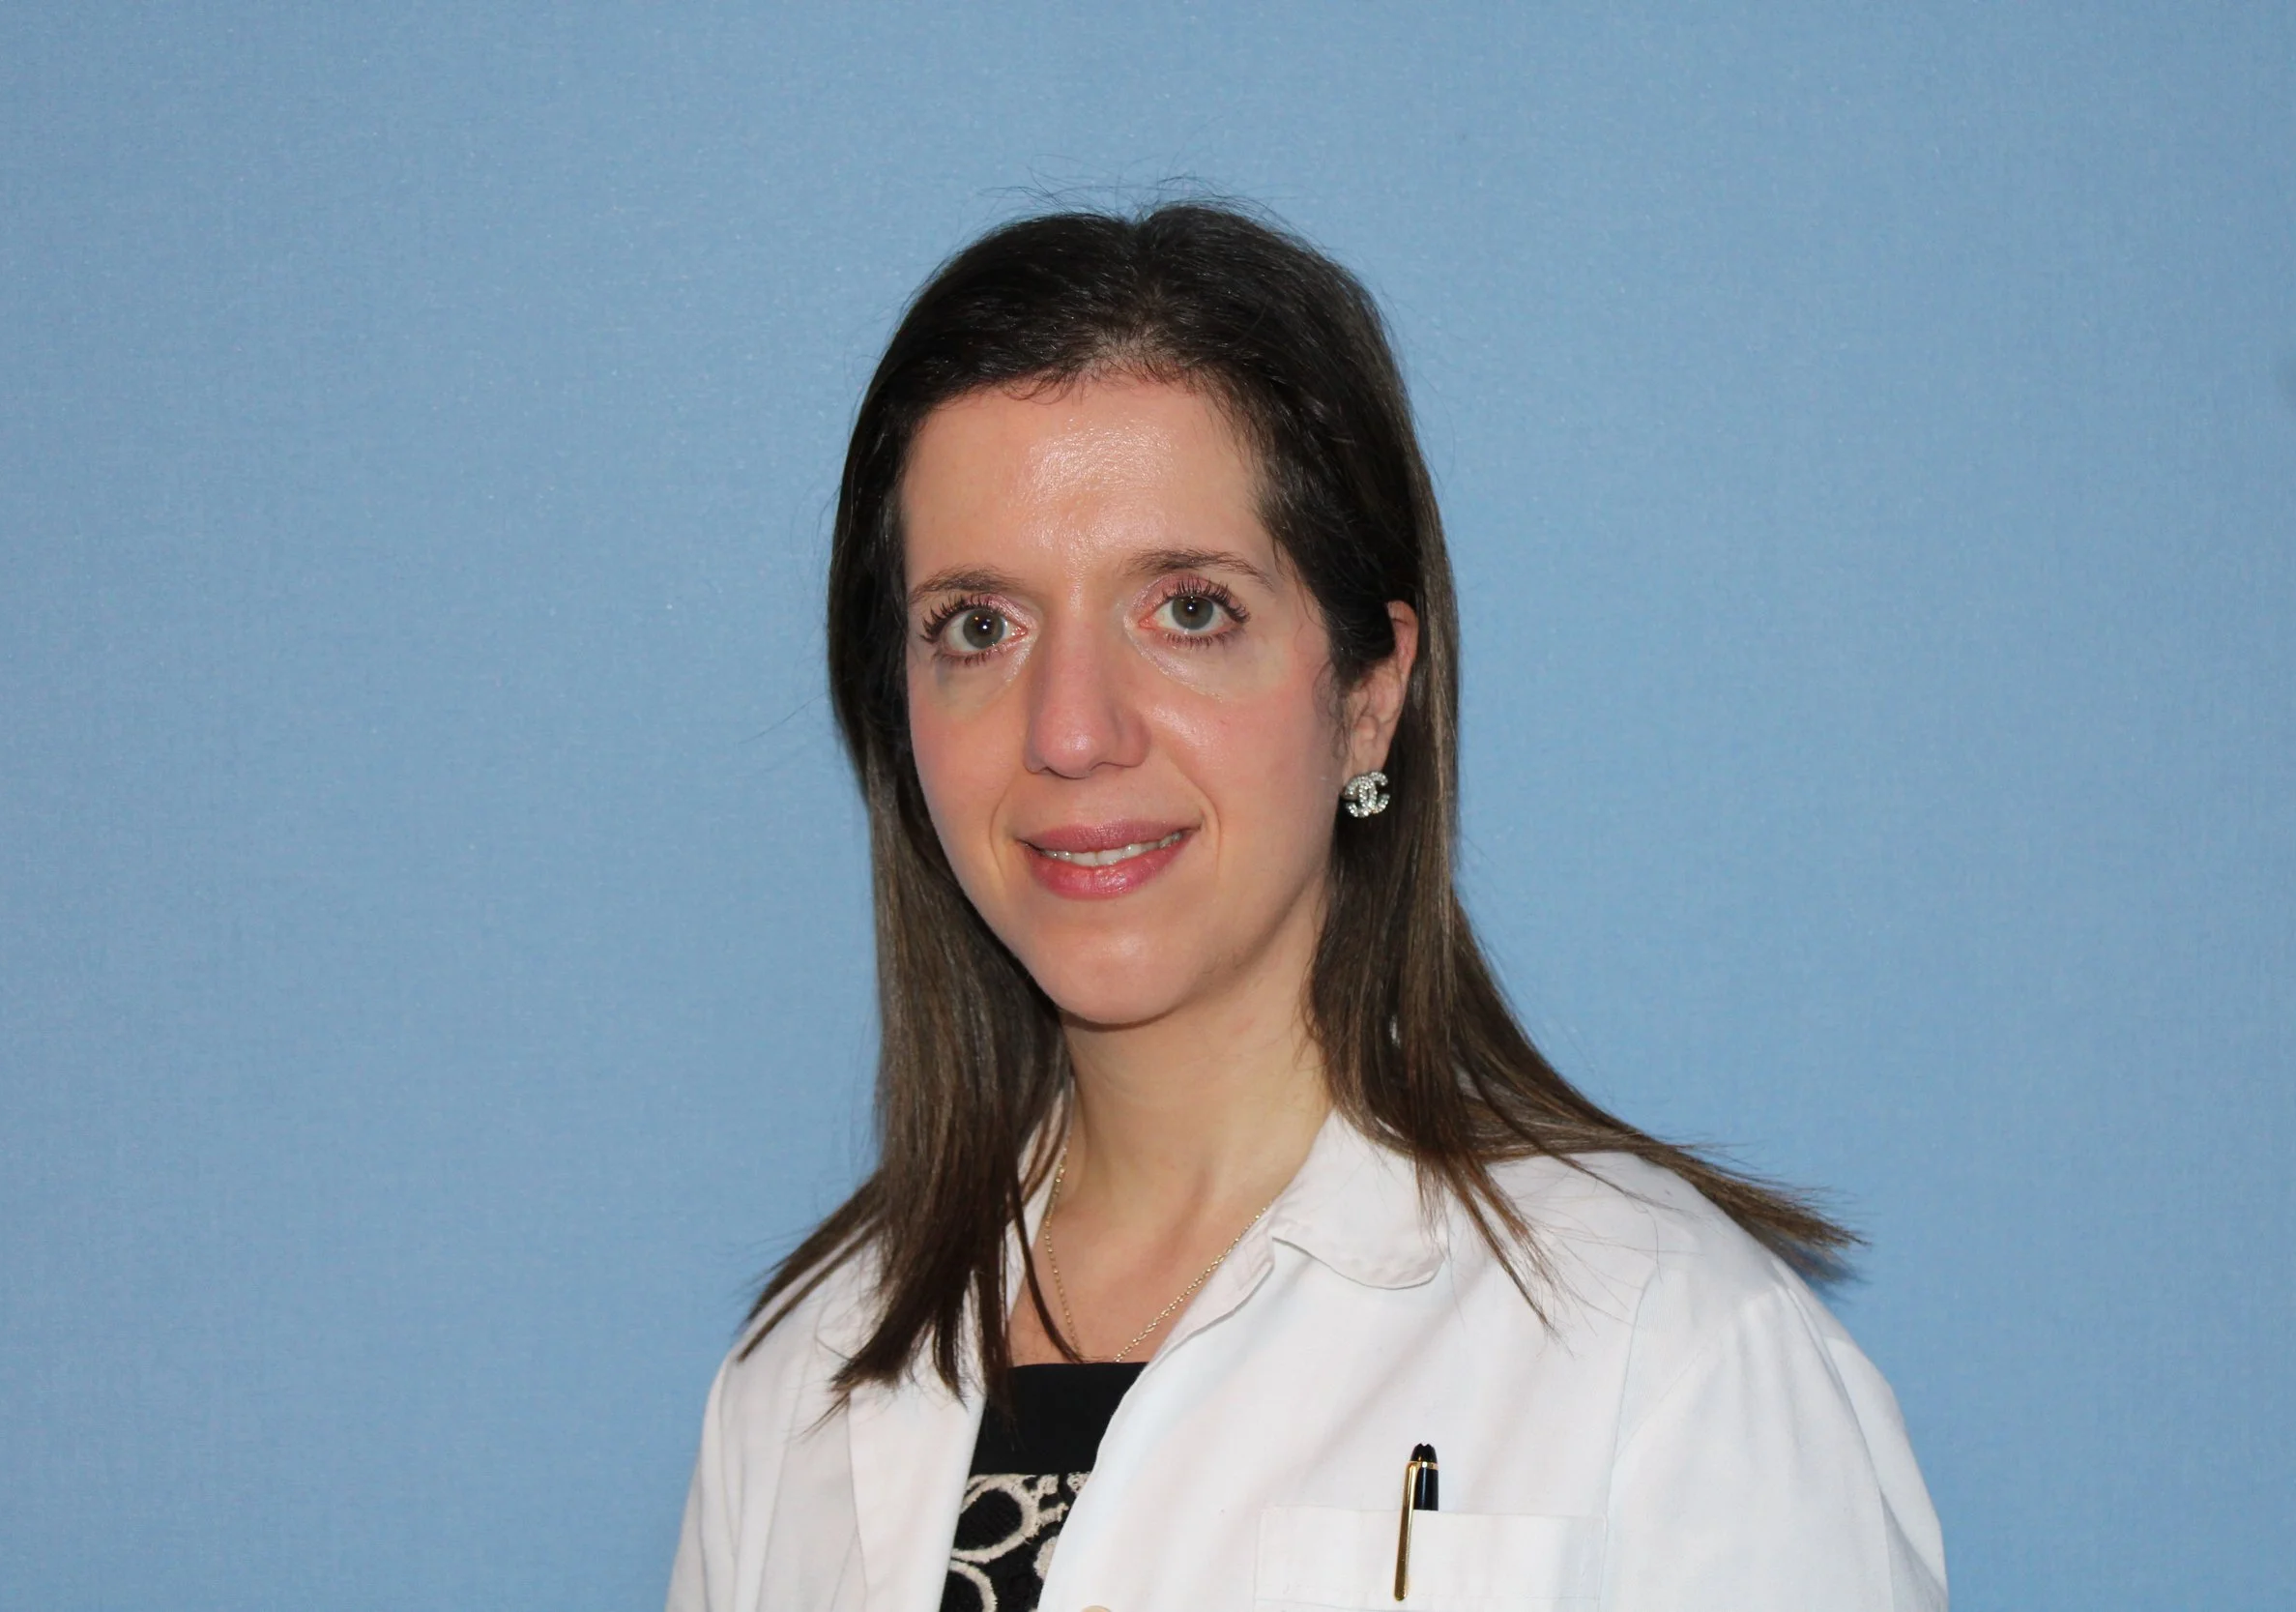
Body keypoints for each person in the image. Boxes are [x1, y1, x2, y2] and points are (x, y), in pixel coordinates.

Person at [666, 201, 1946, 1612]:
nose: (1072, 729)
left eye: (1189, 609)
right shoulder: (797, 1383)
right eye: (979, 625)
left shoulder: (1675, 1359)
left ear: (1370, 695)